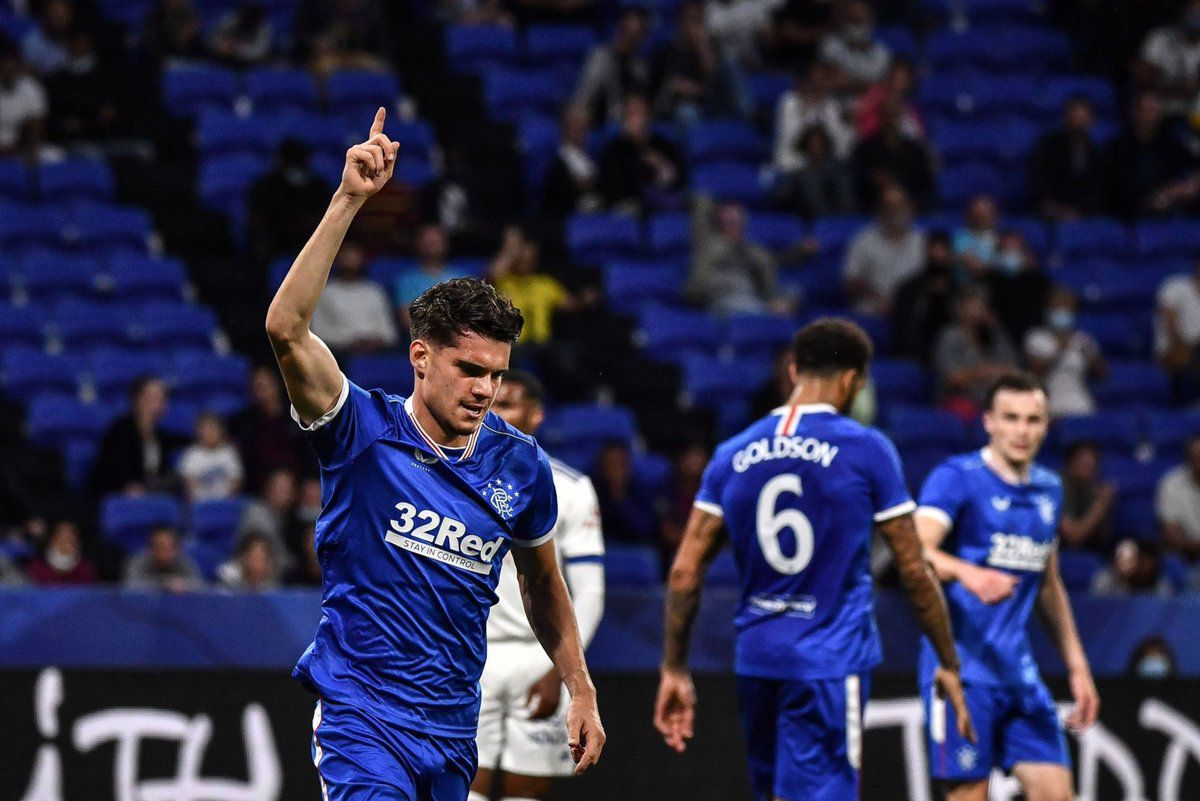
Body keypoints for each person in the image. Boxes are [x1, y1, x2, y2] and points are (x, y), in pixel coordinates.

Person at [264, 108, 604, 800]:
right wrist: (350, 199)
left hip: (452, 728)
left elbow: (542, 583)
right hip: (364, 718)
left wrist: (580, 685)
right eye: (469, 369)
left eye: (497, 374)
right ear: (420, 357)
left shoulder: (521, 465)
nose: (485, 388)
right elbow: (286, 329)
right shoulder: (359, 429)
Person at [654, 318, 973, 801]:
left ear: (793, 368)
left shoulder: (732, 453)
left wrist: (674, 667)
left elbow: (683, 572)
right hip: (828, 660)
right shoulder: (867, 449)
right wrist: (948, 659)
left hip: (758, 659)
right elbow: (912, 567)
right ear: (853, 381)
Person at [914, 372, 1100, 801]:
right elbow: (917, 553)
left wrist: (1077, 666)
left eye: (1033, 420)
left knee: (1057, 794)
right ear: (989, 422)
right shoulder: (957, 477)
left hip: (1019, 673)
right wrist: (966, 572)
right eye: (1011, 418)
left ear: (1046, 425)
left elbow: (1048, 584)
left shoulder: (1049, 490)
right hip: (961, 672)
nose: (1022, 430)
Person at [471, 370, 605, 801]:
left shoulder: (569, 488)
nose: (498, 411)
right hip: (474, 653)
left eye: (509, 403)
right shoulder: (457, 477)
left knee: (524, 789)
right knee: (462, 781)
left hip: (537, 654)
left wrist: (561, 671)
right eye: (494, 403)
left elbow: (589, 592)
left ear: (536, 415)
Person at [689, 194, 790, 316]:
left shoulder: (753, 249)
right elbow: (701, 203)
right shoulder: (709, 244)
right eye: (727, 221)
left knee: (793, 291)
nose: (732, 225)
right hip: (724, 297)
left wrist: (799, 252)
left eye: (736, 221)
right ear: (718, 222)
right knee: (748, 307)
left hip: (754, 297)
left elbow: (773, 264)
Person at [1104, 92, 1199, 218]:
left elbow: (1194, 165)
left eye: (1155, 111)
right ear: (1135, 113)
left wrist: (1186, 186)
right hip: (1130, 212)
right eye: (1147, 110)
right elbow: (1118, 191)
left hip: (1170, 206)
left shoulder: (1169, 143)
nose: (1152, 116)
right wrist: (1155, 198)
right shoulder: (1117, 147)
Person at [90, 376, 186, 497]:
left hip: (149, 494)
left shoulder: (160, 436)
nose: (161, 402)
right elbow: (115, 465)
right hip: (117, 494)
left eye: (163, 398)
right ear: (139, 399)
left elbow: (182, 441)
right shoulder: (120, 430)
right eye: (155, 397)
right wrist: (129, 485)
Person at [934, 287, 1019, 419]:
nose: (979, 308)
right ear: (960, 307)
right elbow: (953, 378)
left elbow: (1012, 367)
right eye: (973, 303)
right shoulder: (950, 335)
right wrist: (985, 372)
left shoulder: (993, 333)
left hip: (996, 399)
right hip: (961, 400)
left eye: (982, 303)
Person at [247, 138, 332, 265]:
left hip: (311, 242)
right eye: (289, 158)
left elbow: (329, 218)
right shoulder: (265, 186)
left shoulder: (318, 186)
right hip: (275, 246)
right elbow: (257, 219)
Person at [1024, 287, 1105, 418]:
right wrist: (1059, 351)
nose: (1062, 311)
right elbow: (1035, 374)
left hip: (1081, 405)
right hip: (1049, 405)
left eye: (1066, 308)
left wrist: (1091, 357)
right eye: (1057, 307)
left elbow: (1102, 375)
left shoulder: (1083, 339)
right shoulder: (1036, 338)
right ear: (1047, 309)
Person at [598, 93, 686, 214]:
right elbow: (615, 186)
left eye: (639, 111)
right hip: (631, 204)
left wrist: (659, 162)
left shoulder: (663, 144)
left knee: (697, 202)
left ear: (648, 115)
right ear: (624, 118)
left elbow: (679, 177)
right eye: (631, 112)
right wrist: (635, 145)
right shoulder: (615, 149)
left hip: (665, 200)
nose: (636, 117)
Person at [843, 185, 925, 315]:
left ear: (910, 208)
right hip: (876, 308)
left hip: (915, 309)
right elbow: (851, 281)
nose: (896, 211)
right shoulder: (863, 240)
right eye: (890, 207)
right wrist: (878, 299)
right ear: (880, 210)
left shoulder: (922, 240)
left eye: (900, 206)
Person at [310, 240, 400, 356]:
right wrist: (348, 342)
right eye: (346, 254)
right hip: (338, 356)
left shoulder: (374, 291)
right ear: (336, 258)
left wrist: (377, 342)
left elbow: (389, 333)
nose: (350, 258)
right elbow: (318, 332)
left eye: (354, 254)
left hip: (377, 354)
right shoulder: (325, 292)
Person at [1029, 96, 1105, 220]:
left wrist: (1081, 212)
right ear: (1066, 119)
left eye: (1083, 119)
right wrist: (1055, 209)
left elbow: (1097, 190)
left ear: (1091, 120)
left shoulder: (1096, 154)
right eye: (1075, 118)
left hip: (1083, 216)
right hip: (1050, 213)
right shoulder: (1048, 147)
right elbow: (1038, 181)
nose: (1079, 123)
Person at [573, 7, 650, 126]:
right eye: (625, 32)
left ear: (641, 37)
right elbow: (584, 96)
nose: (627, 39)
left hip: (627, 123)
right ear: (619, 29)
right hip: (599, 122)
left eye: (634, 35)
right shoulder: (600, 57)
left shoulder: (639, 66)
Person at [891, 231, 957, 363]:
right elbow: (904, 329)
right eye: (934, 249)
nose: (938, 255)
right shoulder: (908, 288)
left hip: (955, 352)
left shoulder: (959, 289)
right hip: (918, 351)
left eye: (943, 250)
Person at [394, 223, 468, 327]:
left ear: (446, 243)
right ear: (418, 244)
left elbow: (470, 314)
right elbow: (408, 319)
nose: (433, 244)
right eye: (428, 240)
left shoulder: (462, 276)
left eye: (437, 240)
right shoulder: (406, 280)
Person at [1136, 0, 1200, 115]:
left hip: (1193, 113)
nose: (1197, 17)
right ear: (1183, 11)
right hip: (1161, 111)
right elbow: (1142, 77)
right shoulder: (1160, 37)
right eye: (1194, 12)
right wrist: (1175, 87)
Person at [590, 439, 659, 545]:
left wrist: (620, 497)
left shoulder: (640, 488)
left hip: (633, 547)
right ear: (601, 466)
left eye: (620, 464)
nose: (616, 470)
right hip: (599, 546)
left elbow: (643, 530)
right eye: (611, 464)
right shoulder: (590, 488)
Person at [541, 105, 602, 219]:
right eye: (575, 126)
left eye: (582, 127)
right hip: (567, 217)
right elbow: (557, 197)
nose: (579, 131)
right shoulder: (557, 163)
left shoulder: (591, 158)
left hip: (595, 212)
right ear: (565, 129)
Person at [818, 0, 890, 96]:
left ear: (871, 20)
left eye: (859, 20)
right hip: (836, 105)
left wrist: (851, 82)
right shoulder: (830, 45)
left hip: (870, 107)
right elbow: (832, 82)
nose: (856, 26)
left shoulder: (882, 54)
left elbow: (884, 87)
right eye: (851, 20)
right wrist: (868, 83)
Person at [1155, 259, 1200, 404]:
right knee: (1183, 357)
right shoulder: (1176, 287)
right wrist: (1183, 346)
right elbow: (1169, 320)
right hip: (1174, 347)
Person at [1057, 442, 1115, 554]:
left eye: (1091, 464)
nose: (1087, 468)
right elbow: (1073, 538)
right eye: (1082, 464)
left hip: (1087, 554)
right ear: (1069, 464)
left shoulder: (1091, 489)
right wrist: (1101, 505)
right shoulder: (1054, 487)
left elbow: (1104, 540)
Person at [178, 411, 245, 502]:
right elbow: (189, 484)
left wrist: (224, 499)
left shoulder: (229, 452)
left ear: (221, 431)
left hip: (226, 500)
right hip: (200, 502)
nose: (210, 433)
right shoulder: (191, 454)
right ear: (199, 432)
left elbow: (236, 480)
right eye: (206, 429)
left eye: (213, 428)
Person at [0, 37, 48, 158]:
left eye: (11, 63)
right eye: (4, 64)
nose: (8, 68)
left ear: (18, 65)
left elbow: (36, 124)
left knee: (53, 156)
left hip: (19, 147)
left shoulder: (31, 87)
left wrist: (27, 148)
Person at [1156, 433, 1200, 562]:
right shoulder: (1171, 484)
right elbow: (1171, 534)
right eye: (1195, 458)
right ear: (1188, 459)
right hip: (1185, 556)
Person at [123, 525, 205, 592]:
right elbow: (132, 584)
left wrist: (184, 584)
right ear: (151, 549)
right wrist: (163, 583)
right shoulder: (139, 562)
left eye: (169, 547)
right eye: (160, 547)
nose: (164, 551)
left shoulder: (183, 562)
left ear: (176, 549)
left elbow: (199, 584)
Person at [1091, 537, 1173, 597]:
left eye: (1150, 562)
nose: (1146, 567)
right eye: (1142, 561)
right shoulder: (1107, 581)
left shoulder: (1160, 585)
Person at [25, 520, 97, 586]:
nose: (66, 541)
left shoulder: (86, 570)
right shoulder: (36, 569)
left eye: (71, 537)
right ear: (52, 540)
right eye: (61, 536)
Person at [208, 2, 274, 66]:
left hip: (248, 65)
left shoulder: (263, 28)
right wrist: (221, 45)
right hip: (220, 59)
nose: (249, 14)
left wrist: (236, 49)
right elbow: (214, 38)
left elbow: (260, 53)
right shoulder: (232, 19)